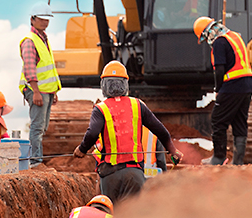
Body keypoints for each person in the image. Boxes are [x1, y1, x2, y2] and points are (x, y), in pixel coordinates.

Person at [74, 61, 182, 204]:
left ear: (104, 85)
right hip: (134, 174)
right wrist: (173, 151)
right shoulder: (138, 105)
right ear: (125, 84)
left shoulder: (100, 109)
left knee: (112, 211)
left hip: (110, 175)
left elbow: (92, 133)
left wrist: (82, 149)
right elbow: (160, 130)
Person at [193, 17, 252, 166]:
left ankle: (219, 158)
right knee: (239, 122)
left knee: (218, 120)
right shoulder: (235, 36)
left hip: (233, 85)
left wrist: (218, 89)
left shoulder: (219, 42)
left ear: (206, 33)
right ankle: (238, 162)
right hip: (247, 85)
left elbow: (219, 70)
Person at [19, 3, 61, 167]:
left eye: (47, 19)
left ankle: (36, 159)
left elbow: (48, 70)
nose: (45, 22)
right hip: (36, 90)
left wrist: (54, 91)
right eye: (42, 19)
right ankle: (36, 161)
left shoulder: (43, 39)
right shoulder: (30, 41)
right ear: (32, 19)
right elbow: (30, 69)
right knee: (37, 127)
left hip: (46, 90)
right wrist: (35, 92)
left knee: (42, 127)